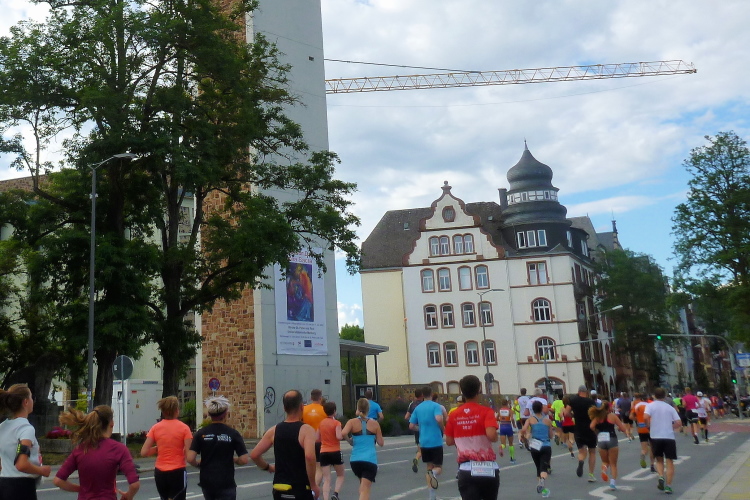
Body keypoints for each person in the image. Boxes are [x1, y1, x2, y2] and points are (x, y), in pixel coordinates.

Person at [53, 405, 140, 499]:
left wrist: (81, 489)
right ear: (111, 423)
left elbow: (58, 481)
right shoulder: (119, 449)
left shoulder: (80, 449)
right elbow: (134, 485)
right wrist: (127, 497)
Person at [250, 390, 318, 500]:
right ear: (302, 407)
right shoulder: (306, 430)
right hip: (300, 488)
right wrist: (313, 485)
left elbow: (254, 455)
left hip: (279, 487)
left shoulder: (274, 430)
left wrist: (268, 467)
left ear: (284, 408)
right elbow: (309, 457)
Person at [445, 375, 500, 500]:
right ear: (479, 389)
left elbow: (449, 441)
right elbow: (491, 435)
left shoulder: (454, 415)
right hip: (487, 468)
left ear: (462, 391)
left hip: (466, 468)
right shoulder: (486, 412)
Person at [188, 396, 250, 500]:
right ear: (225, 414)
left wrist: (198, 464)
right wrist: (234, 460)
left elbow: (190, 458)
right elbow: (244, 459)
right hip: (226, 482)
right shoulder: (233, 433)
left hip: (207, 481)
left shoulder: (201, 433)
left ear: (209, 414)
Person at [0, 384, 52, 500]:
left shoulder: (2, 427)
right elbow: (21, 464)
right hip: (21, 487)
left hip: (3, 484)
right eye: (31, 397)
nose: (33, 401)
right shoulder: (26, 429)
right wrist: (41, 470)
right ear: (26, 402)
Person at [140, 396, 192, 500]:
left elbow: (144, 452)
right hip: (178, 470)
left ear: (163, 411)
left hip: (160, 472)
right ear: (177, 410)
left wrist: (157, 448)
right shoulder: (184, 428)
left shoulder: (155, 428)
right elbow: (189, 454)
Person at [341, 398, 384, 500]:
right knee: (365, 489)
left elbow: (343, 433)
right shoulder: (374, 423)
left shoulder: (352, 422)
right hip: (369, 460)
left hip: (355, 460)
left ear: (357, 408)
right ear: (368, 409)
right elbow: (381, 443)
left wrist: (350, 441)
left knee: (363, 486)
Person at [409, 386, 445, 500]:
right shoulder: (435, 406)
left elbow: (411, 426)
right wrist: (442, 428)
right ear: (431, 393)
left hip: (424, 441)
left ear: (422, 395)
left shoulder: (418, 408)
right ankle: (434, 473)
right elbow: (439, 419)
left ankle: (432, 496)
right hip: (435, 440)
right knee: (438, 467)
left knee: (429, 468)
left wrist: (420, 428)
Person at [645, 388, 681, 495]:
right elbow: (679, 422)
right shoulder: (669, 408)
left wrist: (648, 425)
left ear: (654, 396)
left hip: (655, 436)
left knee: (659, 459)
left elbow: (645, 416)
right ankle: (668, 486)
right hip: (669, 437)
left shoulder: (650, 406)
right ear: (665, 396)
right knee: (670, 461)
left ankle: (661, 476)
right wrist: (671, 427)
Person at [589, 400, 627, 491]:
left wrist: (597, 432)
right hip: (611, 439)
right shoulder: (612, 416)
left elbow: (591, 426)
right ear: (609, 408)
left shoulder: (598, 417)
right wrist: (621, 430)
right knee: (613, 463)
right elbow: (623, 428)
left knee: (605, 461)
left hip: (601, 439)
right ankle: (612, 483)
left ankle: (604, 469)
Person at [564, 385, 598, 483]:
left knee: (582, 451)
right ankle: (591, 475)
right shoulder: (591, 402)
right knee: (592, 452)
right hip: (590, 428)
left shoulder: (573, 400)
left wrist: (573, 415)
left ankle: (581, 460)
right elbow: (596, 415)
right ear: (586, 392)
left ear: (579, 392)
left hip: (578, 429)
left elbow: (566, 413)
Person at [521, 400, 553, 497]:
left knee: (538, 468)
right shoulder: (548, 421)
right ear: (542, 409)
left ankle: (543, 491)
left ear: (532, 409)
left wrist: (524, 438)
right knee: (544, 468)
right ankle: (542, 481)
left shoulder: (530, 420)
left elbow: (523, 429)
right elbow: (551, 436)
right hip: (546, 446)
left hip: (535, 446)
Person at [318, 401, 345, 500]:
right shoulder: (337, 423)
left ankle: (325, 498)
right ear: (334, 411)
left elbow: (317, 437)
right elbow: (338, 437)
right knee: (340, 475)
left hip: (323, 451)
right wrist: (343, 433)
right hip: (335, 451)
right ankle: (335, 493)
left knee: (326, 478)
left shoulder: (321, 423)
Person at [302, 389, 326, 485]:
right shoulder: (324, 410)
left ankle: (308, 484)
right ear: (320, 398)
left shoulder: (304, 410)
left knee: (308, 465)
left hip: (306, 441)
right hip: (320, 441)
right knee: (319, 466)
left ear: (311, 398)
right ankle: (314, 487)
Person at [631, 393, 655, 472]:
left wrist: (638, 419)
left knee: (644, 447)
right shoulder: (651, 404)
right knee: (652, 447)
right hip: (650, 427)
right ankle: (652, 465)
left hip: (641, 428)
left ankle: (643, 454)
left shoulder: (637, 406)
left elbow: (631, 416)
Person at [404, 388, 424, 473]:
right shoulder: (424, 404)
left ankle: (417, 458)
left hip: (416, 428)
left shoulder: (412, 404)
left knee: (420, 447)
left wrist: (413, 422)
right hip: (425, 427)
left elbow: (406, 417)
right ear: (422, 395)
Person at [496, 398, 516, 464]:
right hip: (508, 426)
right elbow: (512, 419)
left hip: (502, 427)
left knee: (503, 444)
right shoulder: (509, 410)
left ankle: (501, 446)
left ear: (502, 404)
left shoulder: (500, 411)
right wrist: (514, 425)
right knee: (511, 443)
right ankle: (512, 458)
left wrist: (501, 420)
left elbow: (496, 418)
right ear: (507, 403)